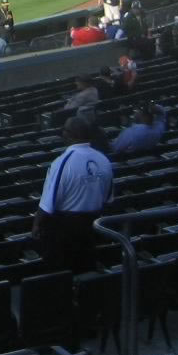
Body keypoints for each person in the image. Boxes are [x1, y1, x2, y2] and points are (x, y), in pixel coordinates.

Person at [33, 116, 113, 272]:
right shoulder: (103, 160)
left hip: (66, 231)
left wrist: (36, 224)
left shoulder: (62, 162)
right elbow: (107, 199)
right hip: (94, 229)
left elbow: (48, 204)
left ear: (69, 135)